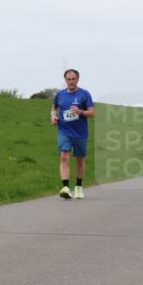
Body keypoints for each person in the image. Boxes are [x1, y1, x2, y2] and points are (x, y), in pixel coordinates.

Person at [51, 69, 95, 199]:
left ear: (78, 79)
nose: (71, 81)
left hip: (80, 132)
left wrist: (80, 111)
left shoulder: (84, 94)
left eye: (73, 79)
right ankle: (65, 187)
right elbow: (54, 107)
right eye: (68, 79)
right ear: (65, 80)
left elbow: (92, 113)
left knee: (80, 159)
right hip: (64, 130)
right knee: (64, 156)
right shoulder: (60, 95)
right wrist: (53, 116)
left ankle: (79, 187)